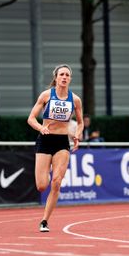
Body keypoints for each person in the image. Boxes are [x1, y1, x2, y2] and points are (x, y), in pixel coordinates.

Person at [28, 64, 83, 232]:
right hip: (45, 140)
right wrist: (41, 128)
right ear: (56, 77)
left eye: (67, 75)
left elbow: (80, 123)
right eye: (62, 74)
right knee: (42, 186)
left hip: (61, 142)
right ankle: (45, 173)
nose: (65, 77)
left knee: (57, 182)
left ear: (70, 79)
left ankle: (44, 221)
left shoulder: (75, 100)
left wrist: (77, 135)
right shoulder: (46, 95)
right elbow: (31, 118)